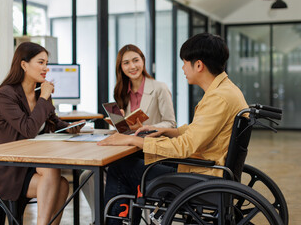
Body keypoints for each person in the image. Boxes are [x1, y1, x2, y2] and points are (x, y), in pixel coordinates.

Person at [98, 33, 249, 225]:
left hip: (203, 174)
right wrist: (171, 131)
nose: (183, 68)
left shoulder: (218, 98)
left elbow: (186, 146)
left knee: (120, 168)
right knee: (133, 158)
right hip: (207, 165)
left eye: (185, 63)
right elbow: (201, 131)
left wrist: (133, 139)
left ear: (199, 65)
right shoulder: (226, 90)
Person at [0, 42, 85, 224]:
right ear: (23, 65)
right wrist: (44, 97)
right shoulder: (6, 94)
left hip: (29, 164)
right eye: (41, 62)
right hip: (7, 169)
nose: (46, 68)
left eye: (46, 63)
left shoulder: (39, 92)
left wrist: (70, 127)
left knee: (61, 185)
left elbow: (53, 121)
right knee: (53, 174)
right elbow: (28, 129)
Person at [80, 44, 176, 224]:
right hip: (129, 148)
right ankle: (100, 216)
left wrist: (146, 127)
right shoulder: (120, 91)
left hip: (150, 151)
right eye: (126, 63)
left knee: (112, 171)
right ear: (120, 68)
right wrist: (119, 124)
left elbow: (171, 124)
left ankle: (117, 217)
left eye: (135, 60)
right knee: (88, 175)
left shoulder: (159, 88)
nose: (132, 66)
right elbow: (123, 131)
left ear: (143, 61)